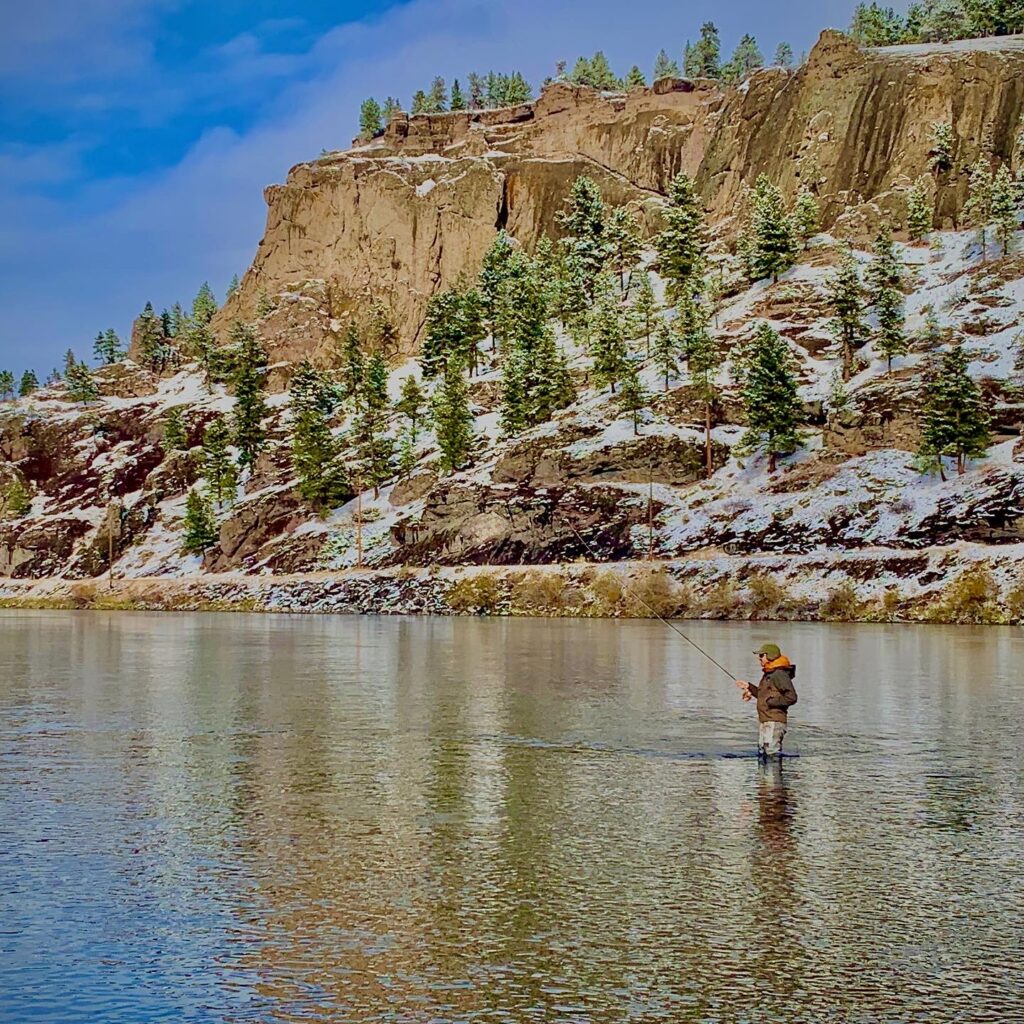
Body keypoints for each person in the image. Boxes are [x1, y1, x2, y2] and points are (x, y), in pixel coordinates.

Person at [734, 642, 798, 759]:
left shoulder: (779, 674)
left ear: (770, 656)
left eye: (761, 655)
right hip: (766, 721)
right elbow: (763, 695)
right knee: (763, 752)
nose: (759, 658)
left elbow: (792, 697)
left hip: (774, 721)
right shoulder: (769, 674)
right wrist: (749, 687)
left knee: (771, 754)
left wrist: (771, 702)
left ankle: (773, 775)